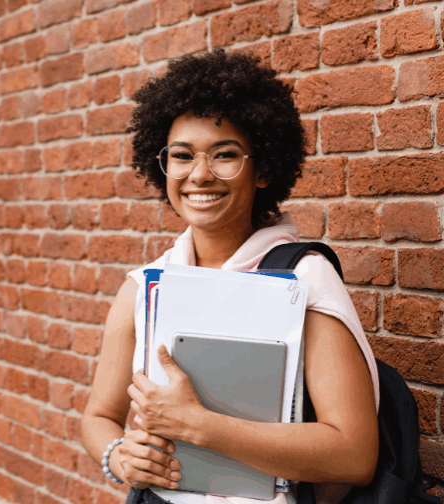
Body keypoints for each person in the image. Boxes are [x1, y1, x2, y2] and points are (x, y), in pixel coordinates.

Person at [80, 50, 380, 504]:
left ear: (262, 170)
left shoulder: (303, 280)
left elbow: (354, 455)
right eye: (181, 156)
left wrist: (198, 426)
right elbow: (98, 416)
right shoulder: (143, 288)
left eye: (225, 155)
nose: (199, 174)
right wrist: (119, 456)